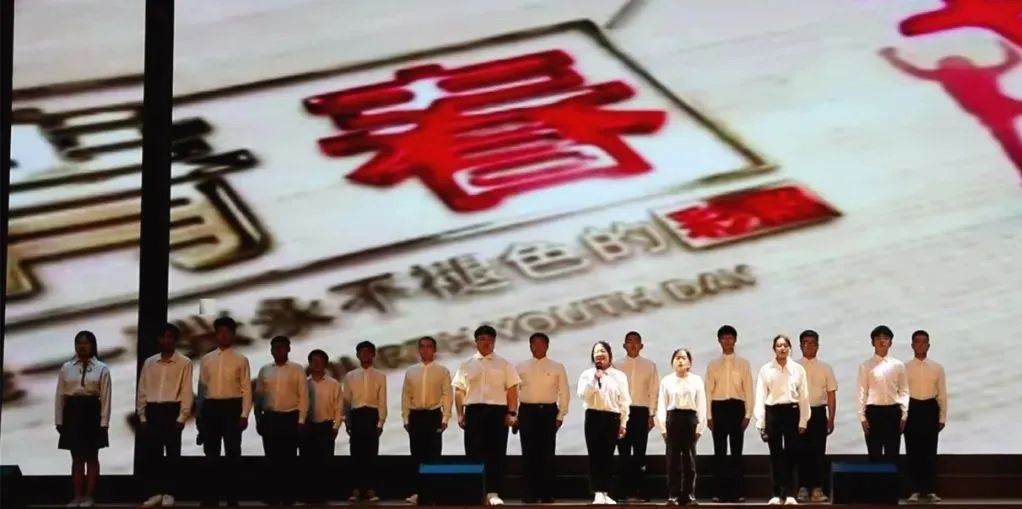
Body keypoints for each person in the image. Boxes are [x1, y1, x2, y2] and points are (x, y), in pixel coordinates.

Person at [452, 325, 521, 506]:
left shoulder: (504, 364)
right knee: (473, 453)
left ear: (494, 342)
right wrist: (460, 414)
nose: (486, 343)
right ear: (476, 342)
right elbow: (459, 391)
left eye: (490, 339)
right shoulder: (466, 365)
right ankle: (475, 492)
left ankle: (493, 492)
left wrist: (512, 413)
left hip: (497, 412)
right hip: (474, 412)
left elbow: (512, 390)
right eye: (482, 339)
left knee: (496, 454)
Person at [196, 316, 252, 507]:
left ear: (233, 334)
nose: (223, 335)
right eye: (220, 332)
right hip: (211, 408)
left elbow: (246, 389)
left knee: (233, 455)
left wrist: (244, 414)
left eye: (227, 332)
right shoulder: (206, 359)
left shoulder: (241, 360)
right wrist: (200, 414)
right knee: (211, 455)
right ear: (215, 334)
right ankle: (211, 497)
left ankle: (232, 498)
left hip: (232, 408)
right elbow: (202, 388)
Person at [138, 324, 193, 508]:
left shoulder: (184, 362)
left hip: (171, 410)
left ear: (175, 340)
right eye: (162, 336)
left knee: (172, 455)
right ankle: (155, 492)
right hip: (153, 410)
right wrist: (142, 415)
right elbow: (142, 389)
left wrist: (182, 417)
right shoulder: (149, 362)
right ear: (158, 339)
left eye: (170, 337)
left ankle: (170, 493)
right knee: (152, 456)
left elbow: (186, 391)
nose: (166, 340)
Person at [55, 330, 112, 508]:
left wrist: (104, 422)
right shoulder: (66, 367)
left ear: (93, 345)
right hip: (72, 413)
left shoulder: (102, 368)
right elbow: (60, 395)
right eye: (79, 343)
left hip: (92, 412)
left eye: (86, 343)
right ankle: (77, 496)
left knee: (92, 457)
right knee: (77, 457)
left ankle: (89, 496)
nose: (82, 346)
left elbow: (106, 397)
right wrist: (59, 420)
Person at [754, 335, 810, 506]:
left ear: (790, 348)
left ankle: (791, 494)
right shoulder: (766, 369)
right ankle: (777, 494)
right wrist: (760, 421)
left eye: (785, 345)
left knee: (792, 454)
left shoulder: (798, 369)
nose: (782, 348)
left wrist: (803, 420)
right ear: (774, 349)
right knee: (775, 454)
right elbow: (761, 395)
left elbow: (804, 396)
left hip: (792, 412)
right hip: (773, 412)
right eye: (779, 346)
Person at [515, 332, 570, 503]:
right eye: (534, 344)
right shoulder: (520, 367)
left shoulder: (557, 367)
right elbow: (513, 392)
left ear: (547, 346)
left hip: (548, 412)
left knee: (547, 453)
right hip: (527, 412)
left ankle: (546, 493)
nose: (538, 347)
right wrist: (514, 414)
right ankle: (529, 493)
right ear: (530, 346)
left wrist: (561, 414)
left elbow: (564, 391)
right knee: (528, 453)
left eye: (541, 343)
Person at [254, 336, 309, 506]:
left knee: (289, 459)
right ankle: (273, 495)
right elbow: (258, 397)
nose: (278, 350)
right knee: (271, 459)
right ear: (271, 350)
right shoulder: (264, 370)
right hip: (270, 418)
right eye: (275, 347)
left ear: (288, 349)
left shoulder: (297, 369)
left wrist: (301, 420)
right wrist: (258, 418)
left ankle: (289, 496)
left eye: (281, 347)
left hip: (290, 417)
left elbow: (304, 396)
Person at [704, 325, 753, 503]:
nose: (727, 341)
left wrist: (748, 415)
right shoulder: (713, 364)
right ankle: (720, 493)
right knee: (720, 452)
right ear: (719, 341)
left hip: (737, 407)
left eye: (730, 338)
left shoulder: (743, 364)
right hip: (718, 408)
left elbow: (748, 390)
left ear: (735, 340)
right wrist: (708, 416)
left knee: (736, 452)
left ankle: (737, 493)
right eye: (724, 338)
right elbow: (708, 392)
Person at [401, 336, 453, 505]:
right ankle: (419, 493)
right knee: (417, 456)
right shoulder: (411, 371)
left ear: (434, 349)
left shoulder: (442, 371)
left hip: (433, 416)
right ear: (419, 350)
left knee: (434, 456)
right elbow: (406, 396)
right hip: (416, 416)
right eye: (422, 346)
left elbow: (447, 395)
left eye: (429, 346)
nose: (425, 350)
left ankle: (433, 494)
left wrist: (445, 418)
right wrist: (405, 418)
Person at [578, 341, 631, 505]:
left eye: (602, 351)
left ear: (609, 354)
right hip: (593, 416)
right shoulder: (587, 374)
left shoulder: (619, 376)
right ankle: (597, 493)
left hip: (612, 417)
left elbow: (624, 401)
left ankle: (606, 492)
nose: (599, 354)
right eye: (596, 352)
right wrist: (595, 379)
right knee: (595, 456)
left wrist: (623, 423)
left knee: (608, 456)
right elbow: (583, 395)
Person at [656, 348, 706, 506]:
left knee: (689, 460)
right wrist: (663, 429)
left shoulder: (697, 380)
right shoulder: (667, 381)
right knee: (673, 460)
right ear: (672, 362)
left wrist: (700, 429)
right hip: (672, 419)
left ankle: (689, 494)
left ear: (690, 363)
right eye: (677, 358)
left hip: (690, 420)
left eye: (684, 358)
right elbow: (661, 405)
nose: (680, 361)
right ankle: (673, 495)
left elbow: (701, 405)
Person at [904, 330, 948, 504]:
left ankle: (930, 490)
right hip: (912, 408)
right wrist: (903, 416)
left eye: (924, 342)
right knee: (912, 451)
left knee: (930, 451)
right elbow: (901, 393)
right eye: (917, 342)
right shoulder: (904, 368)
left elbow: (942, 394)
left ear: (928, 345)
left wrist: (942, 417)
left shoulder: (937, 368)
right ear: (912, 345)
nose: (921, 345)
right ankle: (914, 490)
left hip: (930, 408)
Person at [856, 325, 909, 465]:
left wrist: (904, 414)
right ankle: (876, 480)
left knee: (893, 454)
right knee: (874, 454)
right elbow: (862, 391)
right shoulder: (865, 366)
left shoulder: (898, 365)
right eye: (878, 338)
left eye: (885, 338)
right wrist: (862, 417)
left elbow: (904, 391)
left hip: (893, 412)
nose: (882, 341)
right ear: (872, 342)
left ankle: (892, 480)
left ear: (890, 342)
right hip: (873, 413)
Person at [616, 331, 659, 502]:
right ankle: (624, 492)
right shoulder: (616, 366)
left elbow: (653, 391)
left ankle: (639, 492)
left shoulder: (649, 365)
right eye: (629, 341)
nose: (632, 344)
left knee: (640, 453)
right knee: (624, 453)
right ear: (624, 345)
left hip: (641, 412)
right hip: (622, 413)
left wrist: (652, 414)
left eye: (636, 341)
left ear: (641, 345)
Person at [794, 330, 837, 503]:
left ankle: (817, 489)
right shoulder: (793, 367)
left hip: (819, 413)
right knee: (800, 452)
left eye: (812, 342)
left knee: (818, 452)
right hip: (798, 414)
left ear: (818, 346)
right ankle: (803, 488)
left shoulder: (826, 367)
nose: (809, 346)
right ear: (800, 345)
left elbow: (831, 394)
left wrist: (831, 418)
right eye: (805, 342)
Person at [343, 341, 388, 502]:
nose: (365, 355)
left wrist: (380, 423)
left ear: (373, 354)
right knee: (356, 455)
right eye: (362, 352)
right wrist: (347, 422)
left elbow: (382, 401)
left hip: (372, 415)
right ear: (357, 355)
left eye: (368, 352)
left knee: (371, 455)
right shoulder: (350, 376)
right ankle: (356, 489)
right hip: (356, 416)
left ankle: (370, 490)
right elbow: (346, 401)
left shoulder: (380, 376)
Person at [301, 349, 343, 504]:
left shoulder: (334, 384)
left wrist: (336, 427)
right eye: (314, 361)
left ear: (325, 363)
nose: (317, 364)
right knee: (308, 463)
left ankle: (323, 496)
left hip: (326, 427)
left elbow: (339, 408)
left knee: (325, 463)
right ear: (310, 363)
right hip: (307, 427)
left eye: (320, 361)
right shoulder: (304, 384)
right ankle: (308, 496)